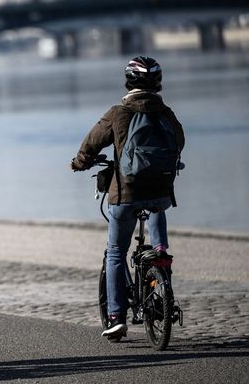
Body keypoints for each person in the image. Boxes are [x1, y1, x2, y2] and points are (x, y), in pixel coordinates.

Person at [70, 56, 184, 339]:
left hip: (126, 195)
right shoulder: (166, 113)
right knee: (158, 234)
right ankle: (161, 267)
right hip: (160, 194)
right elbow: (179, 142)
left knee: (116, 253)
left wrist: (80, 162)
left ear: (128, 81)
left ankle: (115, 316)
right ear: (158, 83)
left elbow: (90, 144)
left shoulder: (118, 113)